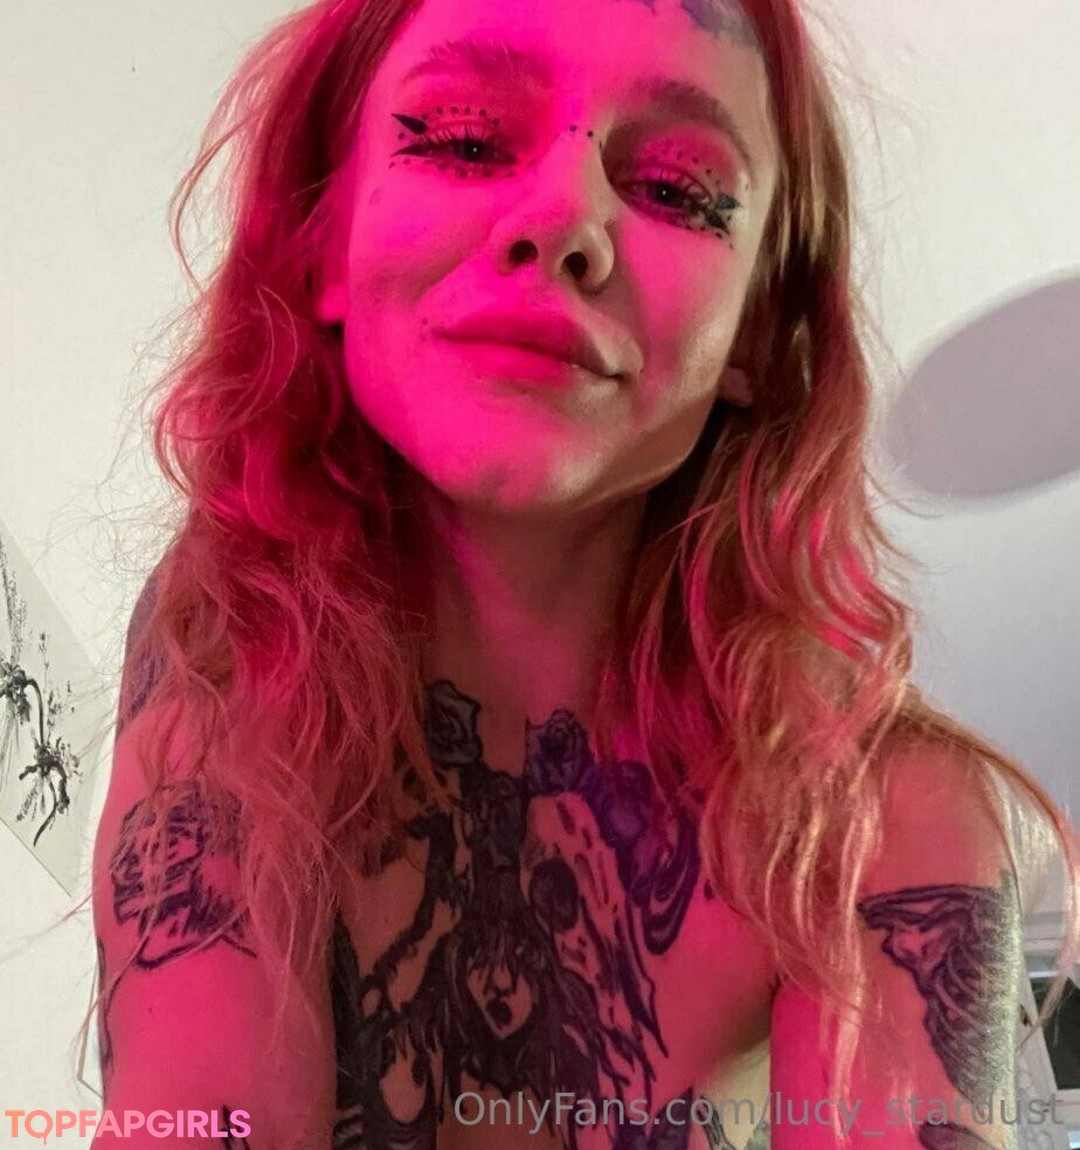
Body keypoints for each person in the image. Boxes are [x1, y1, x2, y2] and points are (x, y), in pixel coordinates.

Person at [89, 0, 1079, 1147]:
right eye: (465, 138)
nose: (566, 218)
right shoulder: (232, 638)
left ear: (758, 338)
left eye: (678, 188)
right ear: (321, 244)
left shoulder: (884, 810)